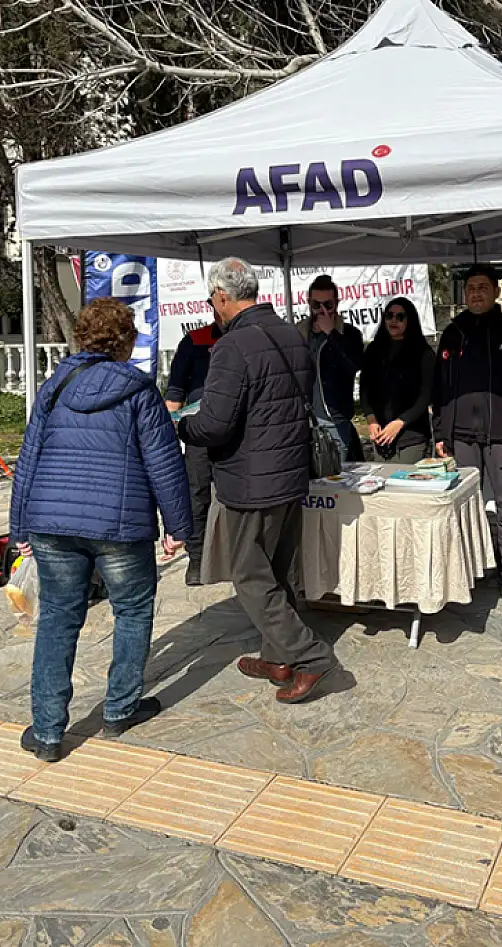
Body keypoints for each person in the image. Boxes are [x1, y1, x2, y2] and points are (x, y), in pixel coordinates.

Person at [9, 298, 190, 763]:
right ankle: (119, 709)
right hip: (120, 526)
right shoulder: (140, 390)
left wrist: (19, 526)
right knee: (131, 611)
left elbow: (27, 461)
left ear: (82, 339)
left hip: (53, 524)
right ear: (127, 341)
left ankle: (48, 733)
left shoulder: (54, 387)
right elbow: (165, 463)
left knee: (58, 619)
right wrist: (178, 526)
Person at [180, 258, 344, 703]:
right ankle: (277, 656)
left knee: (250, 576)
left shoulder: (233, 347)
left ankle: (311, 655)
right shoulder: (292, 334)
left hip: (251, 481)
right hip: (290, 474)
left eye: (212, 299)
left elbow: (214, 425)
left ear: (221, 297)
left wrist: (182, 427)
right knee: (277, 571)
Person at [432, 263, 502, 598]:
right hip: (461, 437)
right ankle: (472, 566)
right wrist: (440, 433)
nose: (476, 293)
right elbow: (441, 387)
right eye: (470, 288)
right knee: (467, 507)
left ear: (496, 291)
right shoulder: (453, 332)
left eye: (482, 287)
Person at [163, 313, 221, 585]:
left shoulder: (247, 338)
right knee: (197, 494)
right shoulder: (194, 341)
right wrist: (165, 436)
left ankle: (235, 555)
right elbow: (175, 393)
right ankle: (197, 558)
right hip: (199, 435)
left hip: (241, 435)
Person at [360, 297, 435, 464]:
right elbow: (365, 389)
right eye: (389, 316)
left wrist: (400, 422)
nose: (394, 321)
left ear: (410, 320)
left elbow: (425, 397)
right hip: (381, 439)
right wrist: (371, 419)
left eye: (400, 317)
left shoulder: (423, 353)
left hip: (411, 438)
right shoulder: (374, 350)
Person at [306, 274, 365, 463]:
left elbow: (352, 367)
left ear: (337, 304)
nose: (322, 310)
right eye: (316, 305)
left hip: (334, 419)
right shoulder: (299, 332)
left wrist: (331, 333)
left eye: (328, 305)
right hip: (305, 420)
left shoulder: (349, 334)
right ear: (308, 303)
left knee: (336, 480)